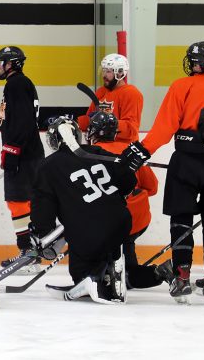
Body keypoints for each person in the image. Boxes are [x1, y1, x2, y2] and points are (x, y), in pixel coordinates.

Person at [120, 41, 204, 303]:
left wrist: (141, 150)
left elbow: (164, 127)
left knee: (181, 218)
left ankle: (182, 275)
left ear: (198, 63)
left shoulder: (182, 86)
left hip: (187, 161)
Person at [33, 117, 136, 303]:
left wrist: (43, 232)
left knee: (80, 266)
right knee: (103, 246)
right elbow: (129, 180)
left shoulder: (47, 166)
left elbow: (43, 206)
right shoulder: (96, 151)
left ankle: (91, 280)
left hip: (88, 230)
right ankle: (108, 272)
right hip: (121, 221)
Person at [84, 111, 165, 289]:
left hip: (109, 221)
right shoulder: (130, 151)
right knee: (125, 249)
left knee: (109, 263)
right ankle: (156, 272)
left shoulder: (88, 155)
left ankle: (117, 273)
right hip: (139, 219)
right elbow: (152, 188)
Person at [0, 46, 42, 269]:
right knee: (23, 201)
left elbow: (22, 121)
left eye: (1, 62)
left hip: (23, 155)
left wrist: (12, 151)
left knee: (18, 200)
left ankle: (29, 253)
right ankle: (32, 251)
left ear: (12, 64)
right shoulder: (18, 84)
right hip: (27, 153)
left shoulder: (16, 84)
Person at [77, 54, 143, 143]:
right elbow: (90, 120)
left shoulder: (131, 93)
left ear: (120, 73)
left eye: (108, 71)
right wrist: (74, 124)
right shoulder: (101, 92)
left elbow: (131, 130)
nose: (104, 75)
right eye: (103, 71)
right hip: (99, 146)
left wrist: (107, 123)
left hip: (122, 149)